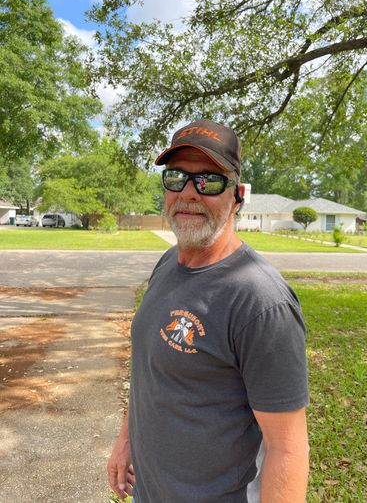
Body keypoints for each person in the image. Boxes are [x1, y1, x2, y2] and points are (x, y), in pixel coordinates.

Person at [107, 119, 310, 502]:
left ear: (238, 195)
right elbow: (149, 371)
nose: (189, 193)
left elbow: (288, 449)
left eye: (209, 181)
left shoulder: (261, 302)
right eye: (176, 178)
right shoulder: (167, 264)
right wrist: (125, 438)